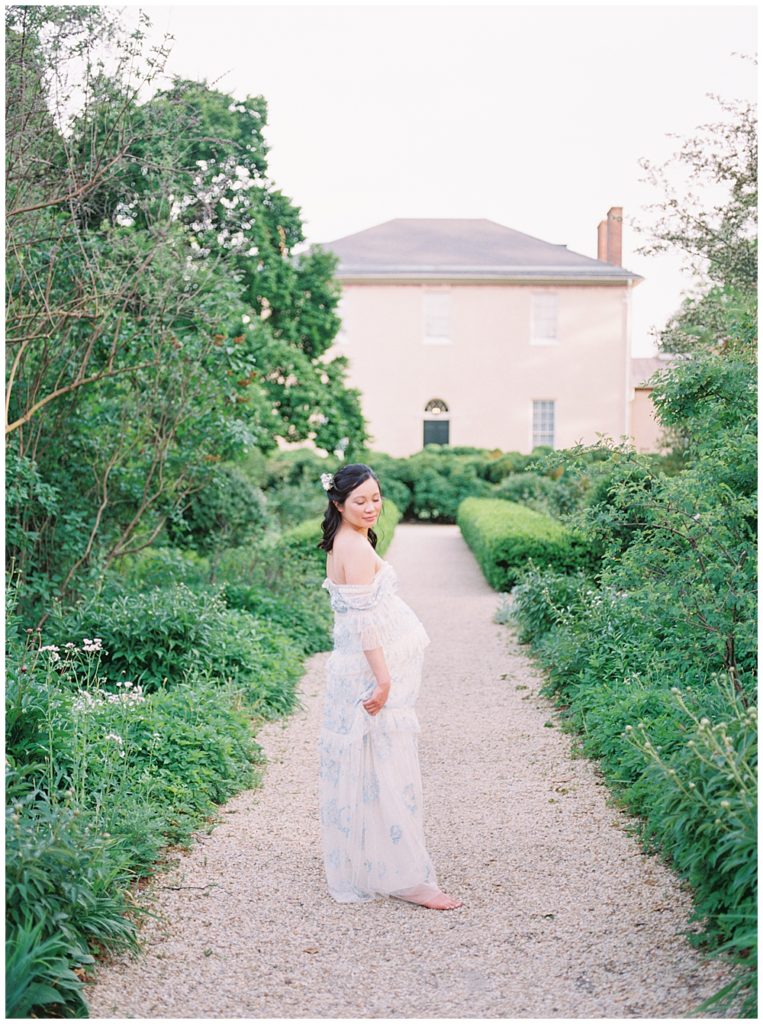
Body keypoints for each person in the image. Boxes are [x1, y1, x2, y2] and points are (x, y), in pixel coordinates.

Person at [316, 463, 462, 910]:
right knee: (385, 769)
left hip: (355, 669)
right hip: (367, 673)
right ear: (338, 503)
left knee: (373, 770)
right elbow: (362, 623)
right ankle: (407, 877)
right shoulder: (353, 547)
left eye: (375, 498)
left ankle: (378, 860)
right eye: (359, 501)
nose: (370, 508)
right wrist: (383, 679)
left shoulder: (347, 541)